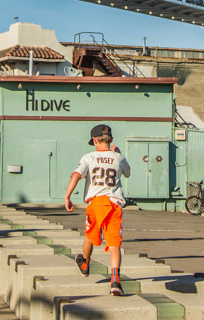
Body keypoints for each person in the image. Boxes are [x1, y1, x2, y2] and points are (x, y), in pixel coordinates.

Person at [64, 123, 132, 296]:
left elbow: (76, 175)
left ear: (95, 140)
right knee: (114, 243)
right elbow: (128, 173)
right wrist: (118, 153)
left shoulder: (89, 157)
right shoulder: (118, 157)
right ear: (111, 140)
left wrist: (67, 196)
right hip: (114, 204)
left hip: (95, 203)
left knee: (90, 235)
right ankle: (115, 281)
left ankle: (85, 263)